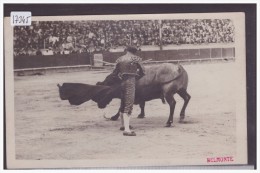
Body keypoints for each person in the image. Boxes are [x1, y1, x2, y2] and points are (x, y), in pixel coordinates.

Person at [112, 46, 145, 136]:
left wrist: (121, 79)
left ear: (126, 51)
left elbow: (114, 75)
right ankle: (127, 130)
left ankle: (123, 125)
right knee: (129, 104)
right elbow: (143, 72)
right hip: (131, 82)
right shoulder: (136, 58)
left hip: (122, 82)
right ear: (135, 52)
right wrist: (135, 77)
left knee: (123, 103)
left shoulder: (119, 59)